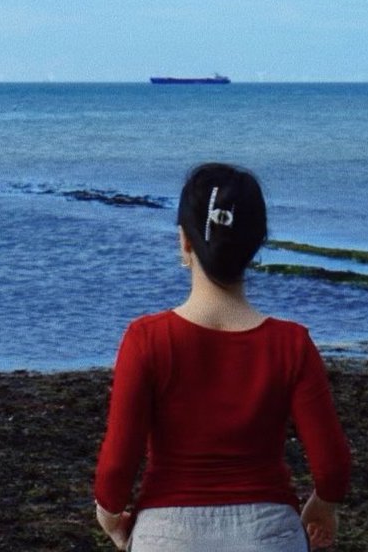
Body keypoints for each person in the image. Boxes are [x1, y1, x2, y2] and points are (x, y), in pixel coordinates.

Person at [94, 163, 351, 551]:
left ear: (184, 242)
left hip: (169, 533)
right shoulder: (291, 344)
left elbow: (116, 468)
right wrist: (321, 508)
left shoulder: (146, 340)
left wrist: (111, 518)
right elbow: (332, 466)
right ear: (256, 245)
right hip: (268, 533)